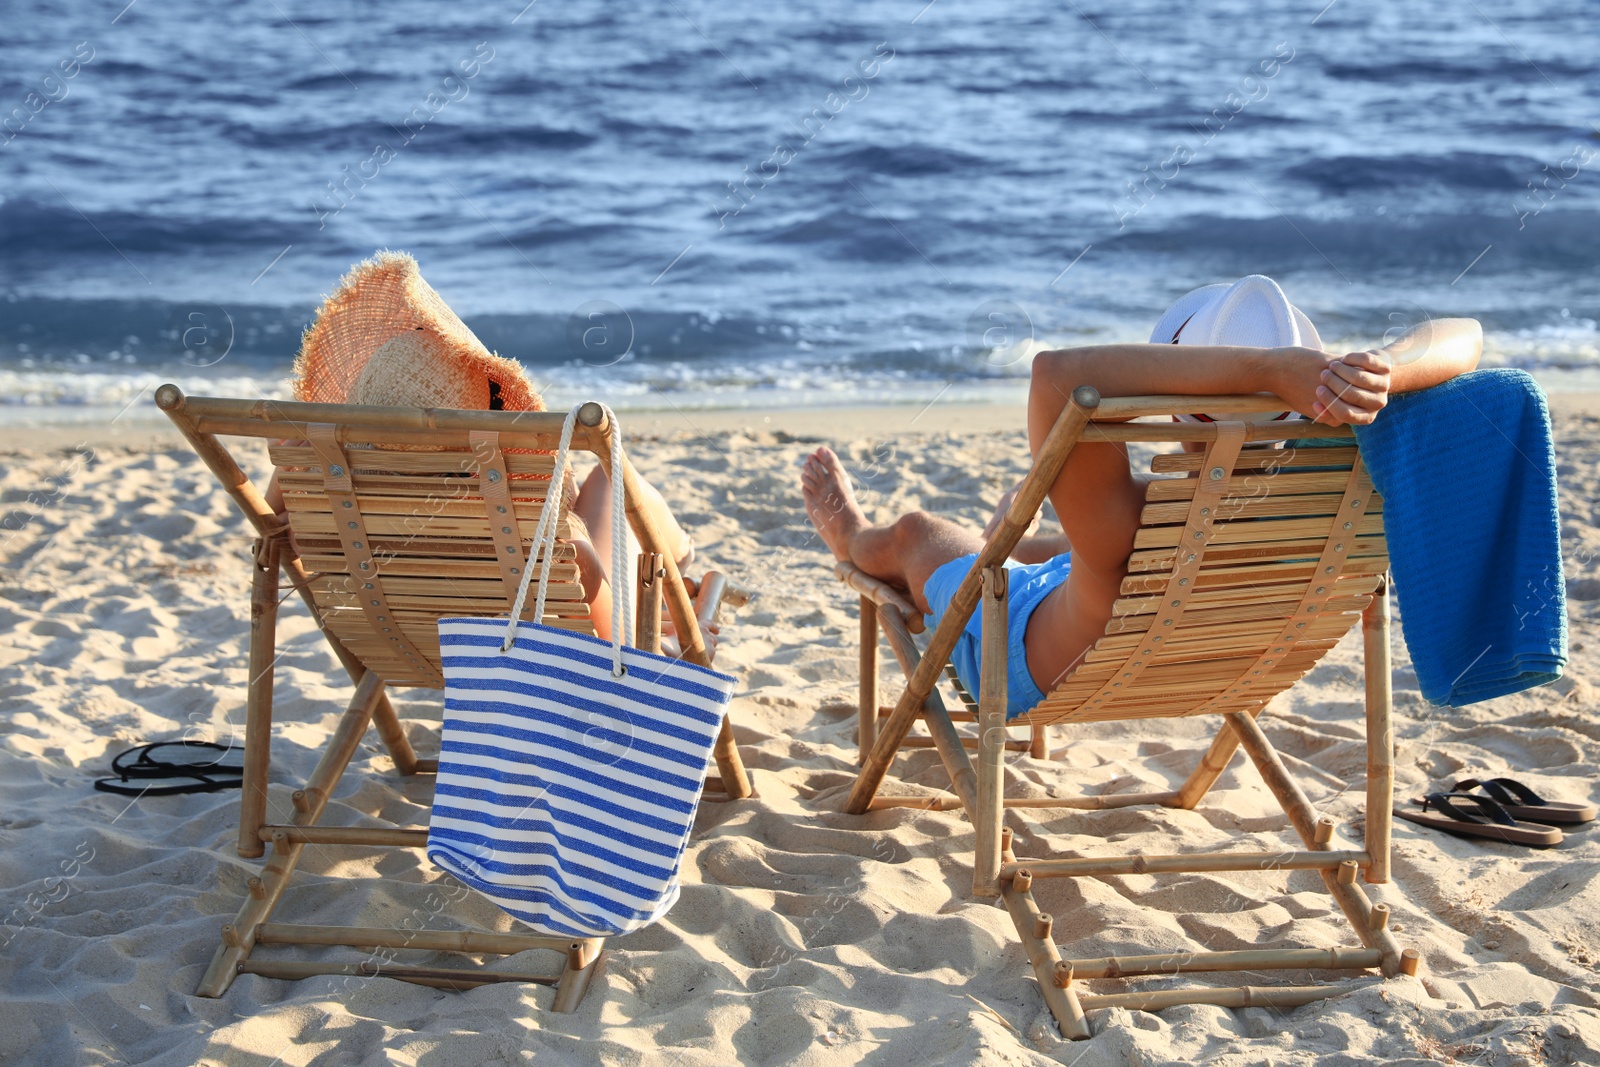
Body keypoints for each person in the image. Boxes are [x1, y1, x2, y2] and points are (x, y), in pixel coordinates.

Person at [801, 276, 1482, 716]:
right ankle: (1013, 530)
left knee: (920, 531)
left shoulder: (1124, 529)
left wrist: (1263, 368)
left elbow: (1056, 374)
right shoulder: (1322, 495)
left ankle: (855, 534)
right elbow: (1470, 336)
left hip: (1030, 666)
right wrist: (1377, 369)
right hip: (1232, 658)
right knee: (1051, 543)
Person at [270, 251, 704, 651]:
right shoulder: (511, 520)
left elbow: (270, 520)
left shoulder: (332, 494)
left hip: (402, 640)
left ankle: (676, 575)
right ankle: (678, 574)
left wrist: (311, 444)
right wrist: (660, 644)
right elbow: (619, 652)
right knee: (611, 481)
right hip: (528, 644)